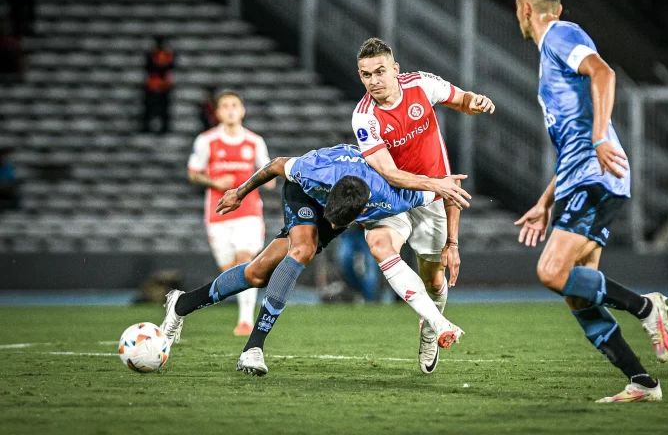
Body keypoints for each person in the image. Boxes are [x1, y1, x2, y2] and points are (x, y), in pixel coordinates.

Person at [161, 144, 467, 375]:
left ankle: (182, 304)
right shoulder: (313, 171)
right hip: (304, 196)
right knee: (303, 249)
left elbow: (448, 189)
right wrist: (239, 193)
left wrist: (451, 242)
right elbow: (275, 165)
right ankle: (253, 348)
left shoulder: (394, 195)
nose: (333, 228)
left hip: (348, 198)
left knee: (257, 274)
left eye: (340, 225)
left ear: (364, 214)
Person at [513, 0, 668, 403]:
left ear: (525, 9)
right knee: (578, 293)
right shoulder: (552, 52)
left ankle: (645, 306)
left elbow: (604, 74)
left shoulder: (560, 35)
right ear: (557, 6)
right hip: (576, 177)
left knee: (552, 272)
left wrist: (602, 136)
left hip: (594, 175)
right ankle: (642, 382)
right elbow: (573, 137)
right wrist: (545, 201)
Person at [351, 37, 495, 374]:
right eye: (365, 74)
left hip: (432, 201)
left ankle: (428, 329)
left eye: (380, 72)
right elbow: (389, 173)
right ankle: (440, 324)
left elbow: (461, 99)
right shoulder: (364, 118)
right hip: (394, 198)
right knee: (379, 243)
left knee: (434, 280)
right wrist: (437, 185)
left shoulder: (420, 84)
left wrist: (477, 101)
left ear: (395, 70)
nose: (374, 81)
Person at [187, 90, 274, 335]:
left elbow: (267, 172)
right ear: (217, 112)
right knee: (229, 270)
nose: (230, 110)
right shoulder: (206, 141)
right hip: (218, 214)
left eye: (235, 105)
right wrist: (214, 182)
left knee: (245, 261)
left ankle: (246, 321)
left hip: (249, 211)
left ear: (242, 110)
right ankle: (243, 313)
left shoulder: (254, 142)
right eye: (225, 106)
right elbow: (193, 172)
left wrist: (265, 180)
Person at [335, 225, 379, 302]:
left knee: (371, 267)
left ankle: (370, 300)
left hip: (368, 230)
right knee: (344, 261)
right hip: (348, 232)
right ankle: (359, 290)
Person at [141, 36, 175, 134]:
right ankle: (147, 127)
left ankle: (164, 128)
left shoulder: (167, 54)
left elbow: (171, 66)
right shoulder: (152, 54)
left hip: (163, 84)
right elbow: (148, 66)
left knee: (164, 109)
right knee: (149, 108)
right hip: (153, 84)